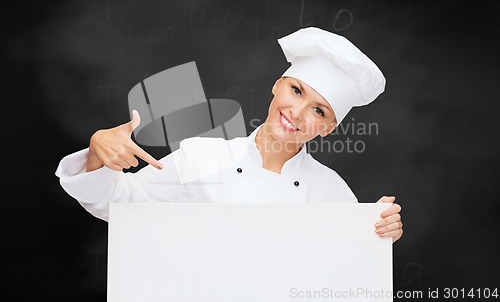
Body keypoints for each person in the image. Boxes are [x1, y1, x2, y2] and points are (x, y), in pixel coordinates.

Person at [55, 26, 403, 242]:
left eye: (319, 110)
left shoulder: (332, 191)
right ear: (277, 85)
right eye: (296, 91)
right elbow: (117, 206)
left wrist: (378, 231)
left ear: (329, 128)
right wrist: (98, 152)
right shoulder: (201, 157)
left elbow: (347, 273)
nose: (297, 112)